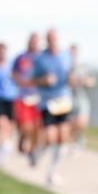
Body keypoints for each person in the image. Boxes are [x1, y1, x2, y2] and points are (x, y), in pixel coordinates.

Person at [32, 29, 73, 185]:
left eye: (55, 38)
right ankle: (38, 154)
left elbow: (71, 75)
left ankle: (52, 172)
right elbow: (33, 80)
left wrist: (74, 79)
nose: (53, 41)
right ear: (46, 41)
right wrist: (44, 80)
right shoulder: (40, 59)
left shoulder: (66, 56)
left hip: (64, 100)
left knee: (63, 137)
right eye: (50, 39)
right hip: (47, 101)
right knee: (50, 137)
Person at [12, 33, 43, 164]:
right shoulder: (21, 57)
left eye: (36, 42)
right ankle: (22, 137)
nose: (34, 44)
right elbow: (14, 73)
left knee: (37, 127)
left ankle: (33, 151)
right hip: (24, 96)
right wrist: (22, 82)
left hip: (39, 97)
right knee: (26, 126)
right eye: (32, 41)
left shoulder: (43, 58)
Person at [68, 43, 96, 154]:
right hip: (68, 99)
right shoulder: (65, 66)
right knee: (70, 123)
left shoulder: (84, 66)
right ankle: (72, 142)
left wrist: (82, 81)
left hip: (81, 98)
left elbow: (92, 81)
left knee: (81, 122)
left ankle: (78, 139)